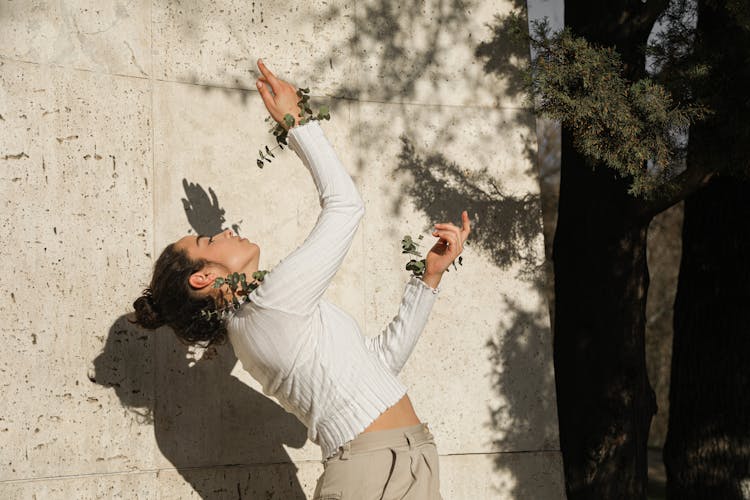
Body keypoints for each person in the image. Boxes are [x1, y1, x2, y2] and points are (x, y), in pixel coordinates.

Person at [132, 59, 471, 500]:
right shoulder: (270, 307)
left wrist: (428, 281)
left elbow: (380, 366)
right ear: (203, 279)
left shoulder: (258, 318)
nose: (229, 230)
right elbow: (345, 206)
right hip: (370, 472)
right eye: (212, 237)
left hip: (407, 460)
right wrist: (297, 122)